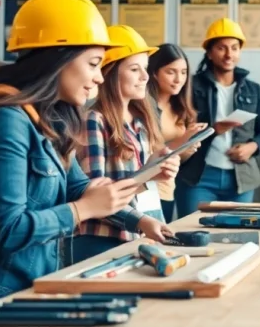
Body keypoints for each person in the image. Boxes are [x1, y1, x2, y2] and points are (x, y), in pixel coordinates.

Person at [0, 0, 154, 327]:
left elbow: (79, 187)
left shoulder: (45, 120)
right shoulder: (3, 121)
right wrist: (84, 209)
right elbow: (8, 231)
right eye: (94, 64)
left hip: (21, 292)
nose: (100, 77)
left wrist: (137, 221)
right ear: (58, 57)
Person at [71, 24, 180, 263]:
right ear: (109, 73)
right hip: (99, 241)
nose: (144, 76)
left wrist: (152, 171)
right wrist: (140, 219)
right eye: (134, 69)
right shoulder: (94, 121)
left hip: (133, 236)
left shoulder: (139, 122)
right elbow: (94, 192)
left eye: (145, 69)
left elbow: (132, 186)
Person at [174, 18, 260, 217]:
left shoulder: (253, 90)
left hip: (241, 179)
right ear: (209, 52)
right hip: (198, 177)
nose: (229, 54)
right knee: (193, 234)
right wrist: (213, 130)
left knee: (236, 236)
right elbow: (177, 128)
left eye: (235, 48)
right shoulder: (190, 87)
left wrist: (252, 147)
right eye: (221, 48)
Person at [148, 43, 208, 222]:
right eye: (171, 72)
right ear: (154, 72)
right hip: (146, 190)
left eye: (183, 72)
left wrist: (188, 147)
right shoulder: (143, 107)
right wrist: (181, 142)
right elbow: (144, 155)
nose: (178, 79)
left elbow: (178, 158)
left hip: (167, 189)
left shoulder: (181, 109)